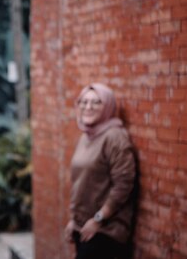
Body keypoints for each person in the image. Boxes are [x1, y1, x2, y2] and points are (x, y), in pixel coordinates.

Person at [64, 83, 136, 259]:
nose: (88, 107)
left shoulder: (114, 137)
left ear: (108, 106)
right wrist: (74, 220)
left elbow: (124, 185)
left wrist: (98, 219)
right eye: (83, 102)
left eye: (96, 102)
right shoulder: (86, 136)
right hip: (83, 228)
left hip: (106, 232)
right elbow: (82, 183)